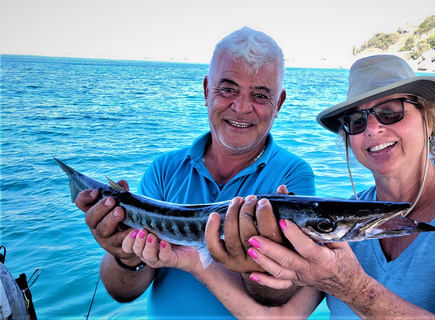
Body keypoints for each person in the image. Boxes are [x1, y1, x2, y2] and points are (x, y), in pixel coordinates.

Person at [75, 26, 317, 319]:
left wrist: (259, 259)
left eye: (260, 95)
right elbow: (123, 291)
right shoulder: (164, 169)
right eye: (228, 89)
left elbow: (277, 295)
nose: (241, 107)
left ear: (278, 104)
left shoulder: (293, 175)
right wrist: (125, 256)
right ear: (206, 91)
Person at [238, 54, 435, 319]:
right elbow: (281, 316)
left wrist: (353, 287)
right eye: (357, 120)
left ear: (428, 120)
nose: (372, 129)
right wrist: (199, 261)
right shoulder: (335, 221)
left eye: (390, 112)